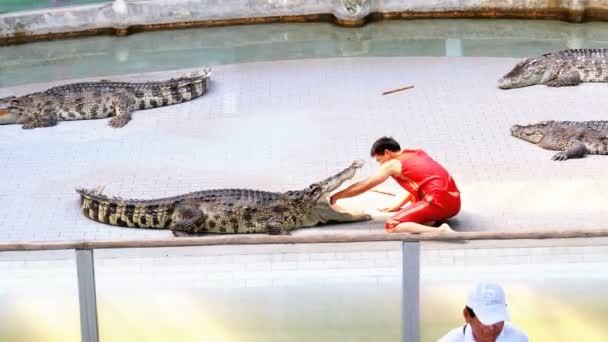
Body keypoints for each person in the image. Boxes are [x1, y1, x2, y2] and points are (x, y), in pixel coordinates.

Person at [329, 136, 460, 233]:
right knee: (420, 198)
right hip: (455, 202)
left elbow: (365, 185)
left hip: (439, 203)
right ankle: (430, 221)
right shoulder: (416, 151)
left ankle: (440, 231)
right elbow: (423, 181)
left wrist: (337, 196)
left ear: (387, 152)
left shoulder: (391, 164)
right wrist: (398, 205)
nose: (380, 164)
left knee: (392, 225)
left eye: (379, 160)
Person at [438, 282, 529, 342]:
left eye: (497, 318)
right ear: (467, 315)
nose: (492, 327)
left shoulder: (519, 339)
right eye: (486, 320)